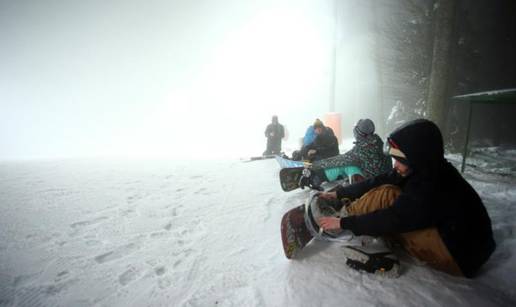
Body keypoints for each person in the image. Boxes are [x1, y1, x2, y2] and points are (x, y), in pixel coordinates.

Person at [317, 118, 495, 278]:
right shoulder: (428, 167)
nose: (396, 165)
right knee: (388, 189)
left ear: (416, 156)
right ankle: (351, 214)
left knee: (386, 195)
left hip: (458, 259)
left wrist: (343, 223)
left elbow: (395, 217)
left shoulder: (432, 184)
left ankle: (340, 219)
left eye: (400, 160)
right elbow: (381, 179)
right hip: (462, 247)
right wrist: (341, 193)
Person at [300, 119, 392, 189]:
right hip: (383, 180)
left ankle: (317, 177)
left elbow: (338, 160)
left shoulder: (361, 150)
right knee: (347, 163)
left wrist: (313, 166)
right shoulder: (379, 143)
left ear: (358, 133)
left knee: (343, 165)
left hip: (372, 186)